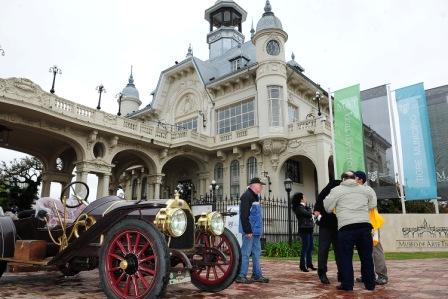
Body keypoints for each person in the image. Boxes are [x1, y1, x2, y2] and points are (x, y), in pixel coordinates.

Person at [324, 171, 377, 291]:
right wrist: (362, 209)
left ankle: (347, 285)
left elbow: (328, 208)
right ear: (354, 178)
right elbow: (373, 203)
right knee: (366, 257)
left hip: (346, 227)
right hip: (364, 226)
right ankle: (370, 284)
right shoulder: (365, 189)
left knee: (345, 257)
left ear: (343, 179)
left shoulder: (337, 190)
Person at [354, 170, 388, 286]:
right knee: (364, 251)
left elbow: (372, 205)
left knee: (376, 250)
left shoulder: (368, 190)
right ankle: (367, 274)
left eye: (355, 178)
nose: (353, 180)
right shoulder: (356, 191)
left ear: (360, 180)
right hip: (363, 224)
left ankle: (382, 276)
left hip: (372, 224)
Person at [235, 177, 269, 284]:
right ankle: (241, 275)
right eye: (260, 185)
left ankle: (257, 275)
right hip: (249, 231)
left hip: (255, 231)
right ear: (254, 185)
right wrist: (248, 231)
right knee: (245, 253)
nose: (262, 187)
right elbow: (244, 215)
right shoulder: (247, 196)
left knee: (256, 253)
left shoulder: (254, 196)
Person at [313, 179, 342, 284]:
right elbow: (320, 198)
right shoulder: (334, 184)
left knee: (340, 250)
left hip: (340, 225)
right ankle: (322, 273)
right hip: (326, 224)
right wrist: (316, 210)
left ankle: (342, 273)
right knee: (323, 249)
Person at [292, 192, 316, 272]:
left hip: (309, 228)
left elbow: (310, 212)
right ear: (301, 198)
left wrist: (311, 212)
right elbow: (308, 214)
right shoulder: (299, 208)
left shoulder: (305, 207)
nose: (305, 198)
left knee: (310, 247)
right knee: (305, 247)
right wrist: (311, 213)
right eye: (304, 197)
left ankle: (309, 264)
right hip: (304, 229)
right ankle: (302, 265)